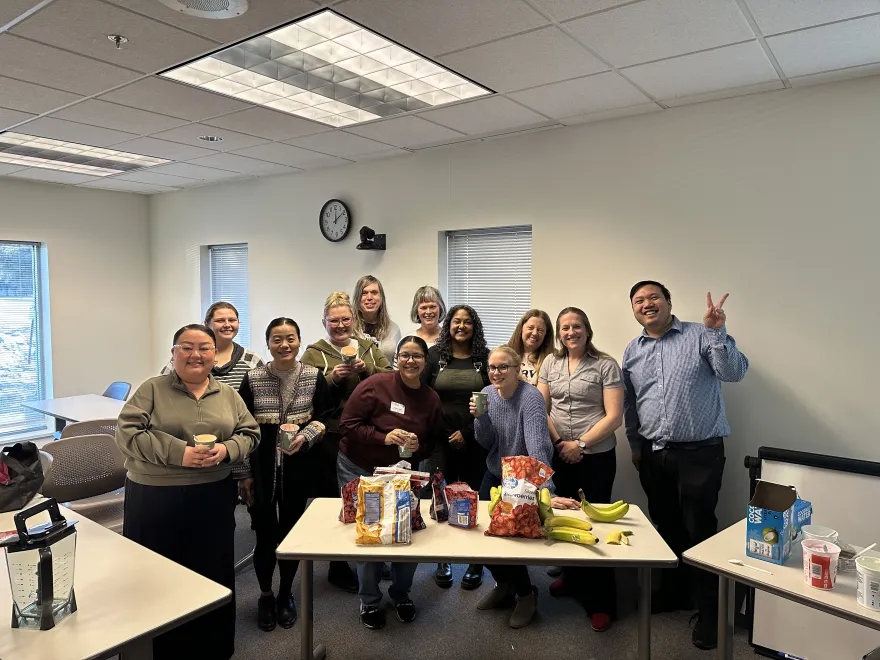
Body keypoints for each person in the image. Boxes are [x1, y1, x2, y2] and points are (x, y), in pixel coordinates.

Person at [116, 324, 260, 660]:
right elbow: (127, 433)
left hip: (211, 496)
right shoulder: (152, 389)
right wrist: (178, 453)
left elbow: (250, 433)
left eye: (204, 348)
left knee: (212, 573)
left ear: (215, 354)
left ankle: (212, 648)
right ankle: (155, 651)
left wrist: (227, 450)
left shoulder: (227, 394)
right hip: (154, 497)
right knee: (156, 575)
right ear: (173, 353)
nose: (196, 354)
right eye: (186, 347)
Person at [622, 281, 748, 651]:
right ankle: (676, 594)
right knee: (666, 526)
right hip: (653, 454)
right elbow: (631, 405)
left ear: (668, 302)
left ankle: (710, 614)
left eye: (653, 298)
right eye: (639, 301)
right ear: (633, 309)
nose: (647, 304)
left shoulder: (700, 334)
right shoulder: (632, 350)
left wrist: (717, 331)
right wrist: (635, 445)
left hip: (700, 453)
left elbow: (733, 372)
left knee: (700, 529)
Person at [337, 336, 443, 630]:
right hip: (362, 467)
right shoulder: (376, 385)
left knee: (405, 534)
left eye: (417, 356)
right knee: (372, 534)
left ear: (425, 361)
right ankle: (369, 600)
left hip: (400, 475)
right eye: (405, 355)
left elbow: (430, 443)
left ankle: (401, 594)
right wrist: (382, 437)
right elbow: (347, 425)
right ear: (397, 358)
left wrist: (417, 444)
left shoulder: (431, 399)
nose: (411, 361)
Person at [470, 345, 579, 629]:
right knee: (480, 534)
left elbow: (538, 446)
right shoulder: (488, 394)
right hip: (495, 473)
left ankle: (526, 594)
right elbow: (486, 442)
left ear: (518, 370)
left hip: (522, 479)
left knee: (509, 540)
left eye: (503, 367)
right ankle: (505, 585)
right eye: (492, 367)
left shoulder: (529, 397)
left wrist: (547, 492)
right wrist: (480, 417)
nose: (496, 372)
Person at [238, 318, 334, 633]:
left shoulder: (313, 375)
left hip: (299, 470)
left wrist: (305, 436)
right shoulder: (252, 379)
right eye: (277, 339)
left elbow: (325, 416)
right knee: (265, 537)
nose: (284, 345)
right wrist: (244, 474)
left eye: (290, 338)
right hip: (261, 471)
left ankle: (285, 593)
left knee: (292, 535)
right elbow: (240, 428)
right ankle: (265, 594)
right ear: (268, 343)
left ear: (299, 341)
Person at [537, 307, 624, 633]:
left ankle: (602, 601)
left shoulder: (605, 365)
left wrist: (581, 445)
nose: (570, 332)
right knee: (564, 518)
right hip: (559, 452)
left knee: (594, 521)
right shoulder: (550, 363)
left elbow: (614, 416)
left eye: (576, 326)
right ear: (559, 333)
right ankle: (573, 579)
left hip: (597, 456)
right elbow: (540, 406)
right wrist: (561, 443)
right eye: (564, 327)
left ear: (587, 329)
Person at [301, 291, 392, 591]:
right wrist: (332, 380)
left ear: (353, 320)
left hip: (369, 432)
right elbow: (305, 394)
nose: (340, 326)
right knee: (337, 499)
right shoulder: (314, 353)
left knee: (372, 495)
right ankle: (338, 565)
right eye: (333, 321)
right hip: (332, 433)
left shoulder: (367, 347)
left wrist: (369, 371)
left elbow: (391, 379)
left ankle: (374, 555)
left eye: (345, 319)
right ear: (324, 321)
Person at [421, 304, 490, 590]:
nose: (461, 326)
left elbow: (492, 401)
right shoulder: (435, 356)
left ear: (475, 327)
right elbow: (421, 394)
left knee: (474, 496)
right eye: (456, 322)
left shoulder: (484, 358)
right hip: (440, 438)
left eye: (467, 322)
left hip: (475, 438)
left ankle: (476, 562)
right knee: (439, 498)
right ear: (448, 325)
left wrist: (467, 432)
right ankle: (443, 559)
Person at [352, 275, 401, 364]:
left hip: (386, 376)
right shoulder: (348, 328)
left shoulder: (393, 329)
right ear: (357, 298)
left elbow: (398, 363)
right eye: (364, 293)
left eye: (374, 292)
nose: (369, 297)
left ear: (381, 298)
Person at [508, 310, 554, 385]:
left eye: (540, 330)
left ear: (546, 334)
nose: (535, 333)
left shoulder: (554, 358)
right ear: (521, 329)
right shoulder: (506, 354)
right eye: (530, 328)